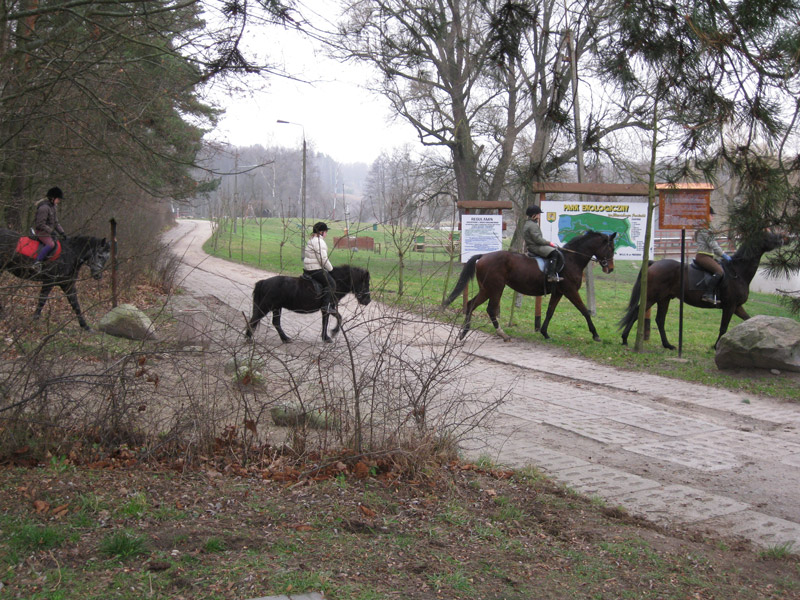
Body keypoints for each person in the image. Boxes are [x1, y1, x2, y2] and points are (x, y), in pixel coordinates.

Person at [694, 206, 731, 304]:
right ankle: (707, 294)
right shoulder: (704, 228)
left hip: (708, 256)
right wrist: (723, 255)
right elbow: (713, 244)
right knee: (719, 271)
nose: (713, 217)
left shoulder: (706, 227)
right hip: (703, 256)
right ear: (706, 215)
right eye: (711, 215)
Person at [523, 205, 563, 282]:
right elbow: (538, 240)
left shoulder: (529, 223)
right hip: (535, 247)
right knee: (554, 252)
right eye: (538, 214)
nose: (539, 216)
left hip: (533, 245)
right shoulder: (532, 225)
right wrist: (549, 243)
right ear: (534, 215)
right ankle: (551, 275)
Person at [32, 186, 67, 273]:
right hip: (41, 232)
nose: (59, 201)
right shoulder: (44, 208)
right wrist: (51, 232)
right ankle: (37, 262)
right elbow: (40, 224)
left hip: (48, 232)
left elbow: (56, 222)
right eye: (58, 199)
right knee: (51, 244)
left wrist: (62, 232)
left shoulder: (53, 207)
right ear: (52, 198)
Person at [303, 221, 336, 310]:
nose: (326, 234)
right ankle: (325, 306)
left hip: (307, 269)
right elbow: (323, 259)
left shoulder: (312, 239)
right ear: (321, 232)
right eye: (326, 232)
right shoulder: (319, 242)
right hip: (314, 269)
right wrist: (331, 269)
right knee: (331, 283)